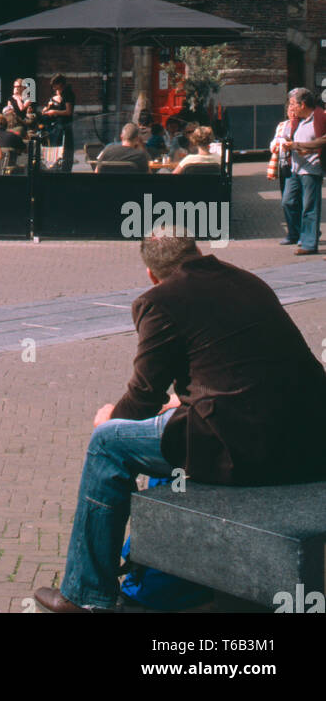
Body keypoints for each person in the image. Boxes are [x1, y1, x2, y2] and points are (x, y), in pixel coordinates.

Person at [33, 232, 326, 613]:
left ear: (153, 274)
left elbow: (143, 397)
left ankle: (86, 595)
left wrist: (110, 418)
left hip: (245, 448)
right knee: (170, 422)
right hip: (308, 439)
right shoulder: (246, 281)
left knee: (107, 444)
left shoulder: (158, 301)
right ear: (196, 253)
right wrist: (181, 401)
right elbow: (240, 367)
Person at [281, 87, 326, 255]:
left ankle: (308, 244)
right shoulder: (297, 120)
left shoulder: (321, 117)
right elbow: (290, 138)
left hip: (311, 169)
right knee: (288, 202)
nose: (291, 107)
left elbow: (323, 141)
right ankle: (298, 233)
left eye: (293, 104)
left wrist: (299, 146)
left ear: (303, 104)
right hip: (295, 168)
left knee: (309, 206)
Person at [41, 73, 75, 172]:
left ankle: (62, 166)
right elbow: (46, 109)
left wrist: (54, 111)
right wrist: (48, 108)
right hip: (54, 124)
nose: (55, 89)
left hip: (63, 124)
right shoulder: (56, 96)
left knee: (61, 145)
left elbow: (68, 111)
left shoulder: (68, 94)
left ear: (60, 84)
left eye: (56, 86)